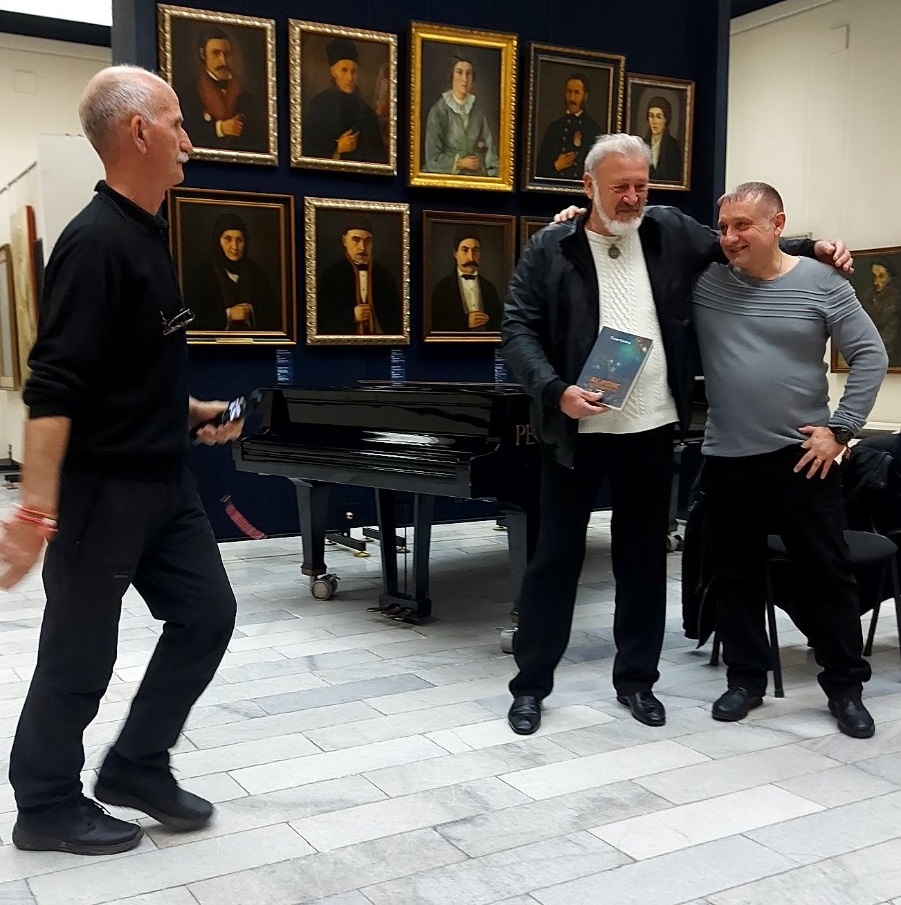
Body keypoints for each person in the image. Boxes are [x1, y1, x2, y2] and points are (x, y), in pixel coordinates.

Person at [501, 133, 852, 736]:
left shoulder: (667, 230)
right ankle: (531, 686)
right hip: (575, 431)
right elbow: (517, 330)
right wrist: (556, 390)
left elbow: (736, 242)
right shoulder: (551, 246)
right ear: (588, 187)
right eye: (620, 187)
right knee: (554, 560)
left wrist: (812, 246)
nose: (633, 197)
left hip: (650, 429)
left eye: (641, 185)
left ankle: (637, 682)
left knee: (641, 561)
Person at [0, 65, 241, 856]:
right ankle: (44, 804)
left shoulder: (145, 233)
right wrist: (33, 513)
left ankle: (137, 764)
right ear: (139, 131)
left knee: (206, 613)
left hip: (164, 484)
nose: (189, 139)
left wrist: (191, 413)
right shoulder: (95, 243)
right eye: (177, 121)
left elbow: (126, 372)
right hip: (102, 492)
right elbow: (54, 386)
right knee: (80, 655)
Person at [694, 182, 886, 737]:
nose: (730, 237)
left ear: (777, 225)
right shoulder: (706, 281)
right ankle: (745, 679)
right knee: (735, 577)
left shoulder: (823, 283)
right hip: (727, 458)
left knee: (828, 576)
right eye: (724, 227)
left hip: (803, 460)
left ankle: (845, 687)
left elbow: (871, 355)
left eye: (743, 226)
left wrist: (841, 431)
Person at [186, 212, 279, 331]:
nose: (234, 247)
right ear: (217, 240)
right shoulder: (201, 275)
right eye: (228, 239)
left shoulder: (258, 275)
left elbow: (272, 319)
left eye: (239, 240)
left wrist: (253, 312)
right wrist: (229, 315)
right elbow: (193, 321)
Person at [302, 37, 387, 163]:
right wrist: (337, 148)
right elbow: (306, 153)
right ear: (333, 72)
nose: (350, 78)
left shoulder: (367, 113)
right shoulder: (317, 107)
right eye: (344, 70)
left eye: (353, 71)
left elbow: (378, 158)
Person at [180, 26, 264, 153]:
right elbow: (186, 131)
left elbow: (258, 136)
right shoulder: (189, 92)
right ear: (203, 54)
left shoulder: (245, 95)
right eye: (216, 53)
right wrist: (220, 128)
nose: (223, 61)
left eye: (227, 54)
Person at [317, 215, 401, 336]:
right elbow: (321, 319)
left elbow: (395, 320)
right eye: (356, 240)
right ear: (344, 241)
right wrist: (352, 316)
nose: (362, 247)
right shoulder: (331, 275)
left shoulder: (384, 276)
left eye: (368, 241)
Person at [423, 51, 499, 177]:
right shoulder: (438, 111)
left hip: (475, 179)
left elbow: (491, 156)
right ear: (451, 76)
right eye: (459, 72)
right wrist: (460, 163)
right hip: (445, 179)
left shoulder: (478, 113)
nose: (465, 79)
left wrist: (494, 179)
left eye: (469, 73)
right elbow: (432, 159)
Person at [430, 229, 503, 332]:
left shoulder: (490, 288)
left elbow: (499, 324)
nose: (471, 257)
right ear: (455, 253)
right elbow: (436, 324)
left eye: (475, 250)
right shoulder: (442, 288)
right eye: (465, 250)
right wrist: (465, 322)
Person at [535, 73, 602, 180]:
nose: (572, 98)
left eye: (576, 93)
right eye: (569, 92)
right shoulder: (554, 127)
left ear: (585, 96)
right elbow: (538, 170)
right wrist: (556, 165)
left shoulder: (593, 129)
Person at [860, 260, 901, 366]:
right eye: (874, 276)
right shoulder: (868, 296)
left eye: (881, 276)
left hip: (889, 356)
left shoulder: (897, 300)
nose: (876, 282)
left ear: (890, 278)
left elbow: (891, 336)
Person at [642, 95, 681, 183]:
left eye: (658, 117)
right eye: (651, 116)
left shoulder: (673, 146)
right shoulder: (642, 144)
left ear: (666, 119)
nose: (654, 121)